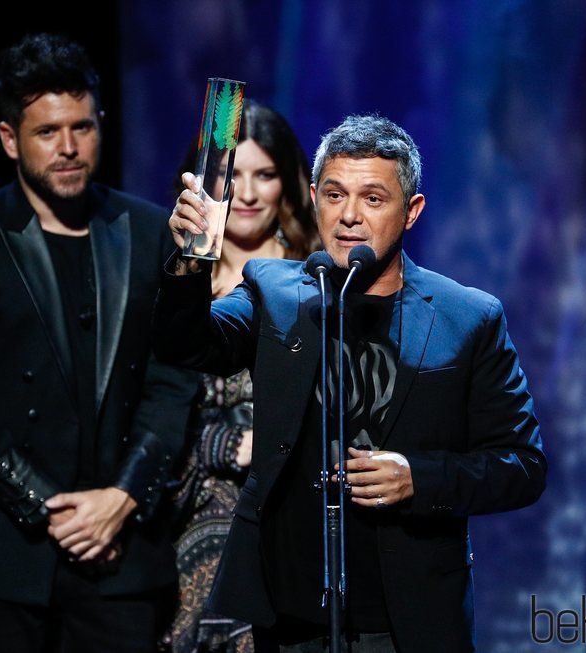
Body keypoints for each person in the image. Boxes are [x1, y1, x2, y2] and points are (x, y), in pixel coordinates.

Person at [154, 113, 547, 652]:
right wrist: (191, 262)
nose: (349, 217)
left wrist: (419, 478)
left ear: (412, 211)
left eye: (373, 199)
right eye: (335, 195)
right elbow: (189, 345)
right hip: (290, 617)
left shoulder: (468, 317)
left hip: (405, 620)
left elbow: (522, 465)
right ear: (314, 197)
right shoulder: (276, 290)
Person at [0, 33, 196, 653]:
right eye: (48, 132)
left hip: (118, 554)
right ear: (10, 138)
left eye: (83, 127)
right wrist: (52, 509)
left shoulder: (148, 229)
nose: (69, 148)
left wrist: (122, 497)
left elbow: (174, 375)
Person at [166, 101, 319, 653]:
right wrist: (230, 445)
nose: (249, 194)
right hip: (190, 515)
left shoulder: (317, 275)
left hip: (290, 513)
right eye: (234, 176)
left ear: (290, 181)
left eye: (266, 175)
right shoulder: (179, 276)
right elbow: (152, 402)